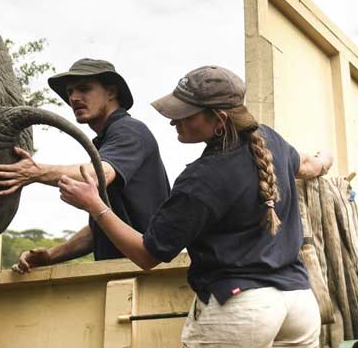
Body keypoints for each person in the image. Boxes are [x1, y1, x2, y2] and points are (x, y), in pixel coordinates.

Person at [58, 66, 331, 347]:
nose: (173, 122)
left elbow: (147, 255)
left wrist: (96, 206)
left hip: (242, 308)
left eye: (184, 114)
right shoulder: (269, 139)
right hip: (299, 303)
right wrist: (326, 159)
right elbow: (310, 165)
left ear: (219, 119)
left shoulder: (201, 178)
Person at [0, 58, 170, 272]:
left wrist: (35, 172)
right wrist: (50, 256)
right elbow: (101, 228)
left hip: (149, 279)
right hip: (125, 276)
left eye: (84, 89)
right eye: (70, 92)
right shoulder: (107, 140)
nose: (74, 98)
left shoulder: (129, 130)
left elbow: (98, 173)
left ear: (111, 92)